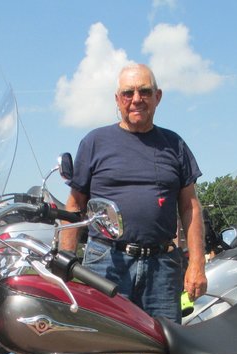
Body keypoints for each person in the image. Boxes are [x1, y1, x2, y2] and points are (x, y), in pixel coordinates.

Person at [61, 63, 207, 323]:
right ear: (118, 99)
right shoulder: (95, 142)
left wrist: (197, 263)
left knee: (164, 349)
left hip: (162, 265)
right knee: (105, 347)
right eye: (128, 93)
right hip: (106, 261)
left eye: (145, 92)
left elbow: (190, 207)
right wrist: (67, 262)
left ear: (158, 97)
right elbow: (74, 206)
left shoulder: (175, 144)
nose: (136, 99)